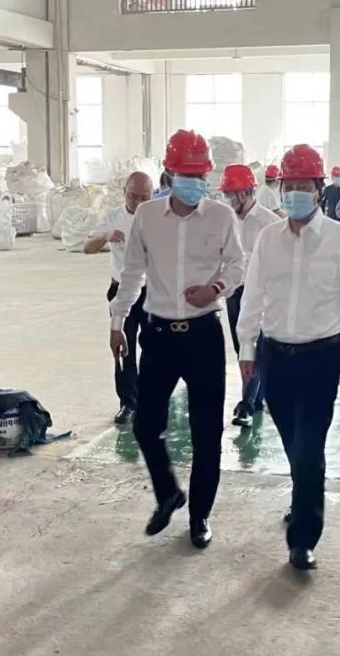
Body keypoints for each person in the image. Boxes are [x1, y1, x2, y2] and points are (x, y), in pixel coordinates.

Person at [110, 129, 245, 549]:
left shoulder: (221, 217)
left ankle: (200, 516)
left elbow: (238, 265)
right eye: (186, 175)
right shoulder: (148, 216)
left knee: (207, 433)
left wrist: (215, 289)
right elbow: (132, 272)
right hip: (160, 335)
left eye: (200, 175)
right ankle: (168, 492)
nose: (194, 182)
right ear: (169, 174)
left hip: (204, 334)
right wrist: (118, 321)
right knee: (146, 424)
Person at [237, 145, 340, 571]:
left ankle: (303, 537)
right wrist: (247, 346)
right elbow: (253, 294)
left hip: (320, 356)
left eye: (303, 185)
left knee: (310, 446)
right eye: (288, 185)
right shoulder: (268, 238)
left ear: (318, 189)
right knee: (293, 441)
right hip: (275, 355)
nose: (294, 192)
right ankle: (302, 494)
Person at [85, 171, 154, 425]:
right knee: (123, 347)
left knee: (156, 347)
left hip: (153, 292)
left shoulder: (159, 217)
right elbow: (87, 248)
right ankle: (128, 402)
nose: (138, 202)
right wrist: (105, 237)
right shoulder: (113, 217)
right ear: (124, 192)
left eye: (144, 197)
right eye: (132, 196)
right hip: (121, 290)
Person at [220, 164, 281, 429]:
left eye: (232, 194)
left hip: (260, 294)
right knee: (240, 346)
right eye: (226, 194)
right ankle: (256, 397)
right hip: (233, 291)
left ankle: (246, 404)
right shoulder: (226, 220)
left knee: (254, 345)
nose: (229, 200)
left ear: (246, 192)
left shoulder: (270, 223)